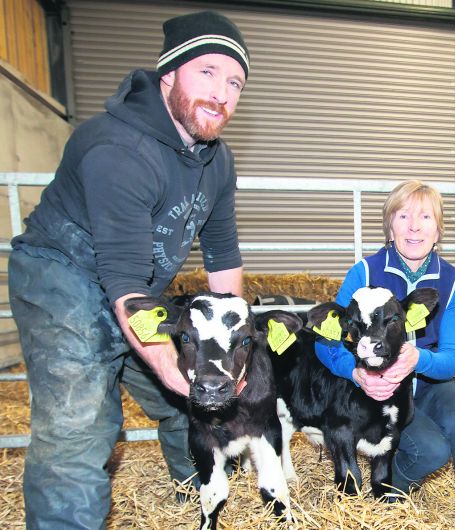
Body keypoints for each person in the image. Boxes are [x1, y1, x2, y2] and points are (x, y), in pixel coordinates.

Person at [8, 11, 250, 529]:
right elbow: (121, 280)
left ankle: (200, 495)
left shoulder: (218, 161)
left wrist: (233, 346)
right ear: (170, 74)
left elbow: (223, 255)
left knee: (189, 392)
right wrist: (176, 372)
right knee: (82, 428)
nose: (222, 93)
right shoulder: (119, 149)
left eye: (234, 82)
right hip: (62, 278)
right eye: (206, 72)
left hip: (134, 287)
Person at [315, 180, 455, 520]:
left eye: (425, 217)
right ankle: (384, 500)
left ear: (438, 229)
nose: (414, 226)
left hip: (428, 379)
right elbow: (326, 342)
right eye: (403, 216)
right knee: (430, 450)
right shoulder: (364, 273)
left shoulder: (453, 283)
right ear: (390, 225)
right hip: (372, 384)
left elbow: (452, 357)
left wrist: (418, 358)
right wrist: (354, 373)